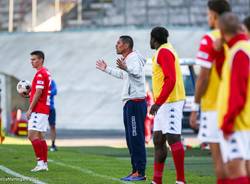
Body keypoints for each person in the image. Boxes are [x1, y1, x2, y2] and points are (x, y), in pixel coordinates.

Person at [189, 1, 231, 183]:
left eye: (208, 14)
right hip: (238, 106)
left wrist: (195, 106)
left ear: (213, 15)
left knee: (220, 162)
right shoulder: (240, 38)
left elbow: (203, 77)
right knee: (239, 161)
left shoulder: (209, 39)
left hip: (214, 106)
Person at [96, 35, 147, 181]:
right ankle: (135, 170)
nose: (116, 45)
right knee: (131, 139)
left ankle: (140, 172)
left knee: (136, 138)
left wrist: (127, 67)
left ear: (126, 45)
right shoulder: (128, 59)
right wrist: (107, 69)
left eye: (118, 43)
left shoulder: (133, 58)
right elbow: (123, 74)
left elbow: (136, 72)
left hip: (135, 102)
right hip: (130, 103)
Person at [149, 26, 186, 184]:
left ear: (154, 39)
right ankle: (157, 180)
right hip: (164, 103)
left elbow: (170, 79)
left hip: (171, 101)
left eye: (150, 38)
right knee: (158, 139)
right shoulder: (164, 50)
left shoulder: (164, 52)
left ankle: (181, 180)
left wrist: (158, 102)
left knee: (173, 138)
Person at [217, 12, 250, 184]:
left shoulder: (239, 52)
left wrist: (227, 123)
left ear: (221, 30)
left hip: (238, 122)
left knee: (235, 170)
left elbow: (238, 92)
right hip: (244, 120)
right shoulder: (242, 48)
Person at [26, 50, 51, 172]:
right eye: (31, 59)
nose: (32, 62)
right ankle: (44, 164)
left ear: (41, 59)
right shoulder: (45, 72)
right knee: (40, 137)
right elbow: (38, 92)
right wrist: (28, 94)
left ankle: (40, 163)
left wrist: (30, 108)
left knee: (31, 136)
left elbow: (39, 92)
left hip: (38, 110)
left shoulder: (41, 74)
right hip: (43, 109)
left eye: (34, 59)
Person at [48, 79, 57, 152]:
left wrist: (46, 93)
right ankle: (41, 144)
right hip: (42, 108)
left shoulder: (51, 82)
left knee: (52, 126)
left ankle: (53, 144)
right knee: (41, 127)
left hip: (51, 107)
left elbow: (55, 91)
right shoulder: (39, 81)